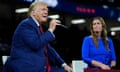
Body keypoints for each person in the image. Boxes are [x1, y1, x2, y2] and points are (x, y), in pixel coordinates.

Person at [2, 2, 72, 72]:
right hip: (26, 67)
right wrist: (50, 30)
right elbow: (36, 44)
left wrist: (64, 64)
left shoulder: (37, 27)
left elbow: (48, 49)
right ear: (33, 13)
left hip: (38, 67)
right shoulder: (26, 25)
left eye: (47, 10)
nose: (46, 12)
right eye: (43, 9)